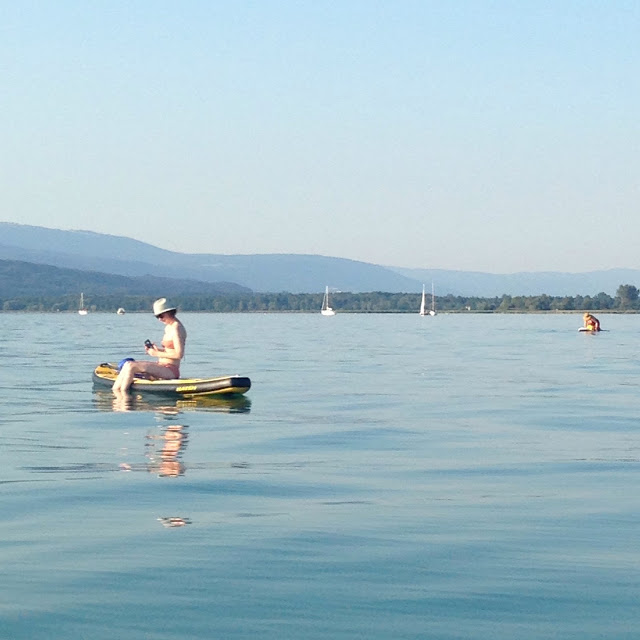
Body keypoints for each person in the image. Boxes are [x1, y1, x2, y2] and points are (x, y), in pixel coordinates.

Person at [112, 298, 187, 394]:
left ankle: (122, 397)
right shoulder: (169, 327)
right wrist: (157, 350)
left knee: (131, 366)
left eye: (161, 316)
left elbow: (179, 354)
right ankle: (115, 392)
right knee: (127, 364)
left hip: (170, 370)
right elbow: (170, 350)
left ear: (170, 312)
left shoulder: (177, 329)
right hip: (161, 365)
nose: (160, 319)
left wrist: (155, 353)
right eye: (157, 317)